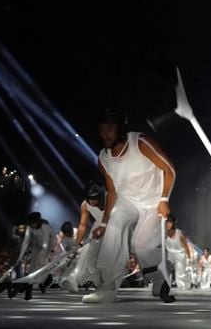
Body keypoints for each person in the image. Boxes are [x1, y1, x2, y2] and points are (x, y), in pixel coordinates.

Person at [83, 108, 177, 303]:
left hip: (153, 202)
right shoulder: (103, 158)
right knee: (115, 222)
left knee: (140, 246)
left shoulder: (140, 143)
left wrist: (164, 199)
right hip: (128, 201)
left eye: (110, 128)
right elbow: (112, 192)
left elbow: (169, 170)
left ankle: (160, 276)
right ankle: (107, 287)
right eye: (102, 130)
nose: (105, 134)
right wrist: (103, 223)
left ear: (121, 128)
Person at [60, 181, 104, 293]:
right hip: (98, 226)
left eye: (95, 198)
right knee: (86, 250)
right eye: (90, 198)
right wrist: (77, 245)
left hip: (114, 223)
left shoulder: (109, 199)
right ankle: (73, 280)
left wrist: (105, 228)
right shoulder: (85, 204)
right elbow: (82, 225)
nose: (93, 201)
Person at [14, 212, 56, 289]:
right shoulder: (30, 227)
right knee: (33, 262)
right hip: (37, 244)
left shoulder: (45, 226)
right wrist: (20, 258)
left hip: (50, 243)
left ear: (38, 221)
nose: (32, 225)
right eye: (31, 223)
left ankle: (38, 282)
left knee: (40, 262)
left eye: (34, 223)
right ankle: (30, 280)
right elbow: (25, 243)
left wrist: (43, 254)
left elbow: (45, 242)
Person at [165, 214, 193, 290]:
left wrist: (189, 258)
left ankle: (185, 284)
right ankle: (165, 286)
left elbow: (186, 247)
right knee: (165, 269)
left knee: (180, 274)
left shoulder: (180, 233)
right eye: (167, 222)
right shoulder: (163, 233)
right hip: (170, 254)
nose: (168, 224)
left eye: (170, 222)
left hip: (180, 254)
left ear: (174, 223)